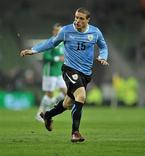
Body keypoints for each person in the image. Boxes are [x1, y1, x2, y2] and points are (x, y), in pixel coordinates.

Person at [20, 7, 109, 142]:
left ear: (88, 20)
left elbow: (103, 46)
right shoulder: (66, 31)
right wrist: (33, 50)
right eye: (76, 17)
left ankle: (48, 115)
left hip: (86, 73)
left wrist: (103, 57)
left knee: (67, 103)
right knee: (81, 96)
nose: (77, 20)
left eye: (81, 18)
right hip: (70, 69)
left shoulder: (95, 32)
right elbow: (51, 42)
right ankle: (75, 133)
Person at [36, 23, 67, 122]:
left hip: (59, 72)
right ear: (53, 31)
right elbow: (46, 57)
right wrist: (58, 58)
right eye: (56, 30)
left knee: (66, 93)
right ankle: (39, 114)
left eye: (60, 31)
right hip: (50, 72)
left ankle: (50, 106)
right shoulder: (50, 42)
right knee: (49, 94)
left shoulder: (62, 43)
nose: (58, 32)